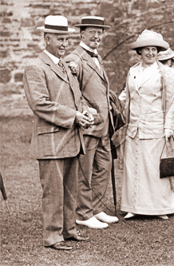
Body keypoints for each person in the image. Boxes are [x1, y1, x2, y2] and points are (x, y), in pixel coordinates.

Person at [23, 15, 91, 250]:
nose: (64, 43)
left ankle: (69, 230)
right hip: (50, 141)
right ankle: (52, 236)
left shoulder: (66, 66)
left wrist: (84, 111)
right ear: (46, 38)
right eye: (59, 39)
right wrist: (73, 116)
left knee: (70, 189)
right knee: (53, 191)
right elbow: (39, 104)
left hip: (71, 138)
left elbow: (76, 97)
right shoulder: (35, 66)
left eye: (66, 39)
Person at [118, 30, 174, 220]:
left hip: (155, 127)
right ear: (140, 51)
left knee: (155, 169)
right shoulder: (133, 71)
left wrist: (168, 128)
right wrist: (115, 103)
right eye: (146, 49)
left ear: (158, 52)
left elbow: (171, 102)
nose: (150, 53)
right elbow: (126, 94)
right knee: (134, 167)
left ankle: (161, 208)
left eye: (154, 49)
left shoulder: (165, 73)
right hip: (134, 127)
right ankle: (134, 206)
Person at [64, 16, 118, 229]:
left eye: (100, 31)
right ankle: (83, 213)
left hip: (104, 126)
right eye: (92, 31)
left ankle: (95, 208)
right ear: (81, 33)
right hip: (88, 126)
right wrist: (86, 110)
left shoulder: (96, 57)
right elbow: (73, 91)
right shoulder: (74, 59)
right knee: (85, 171)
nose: (97, 36)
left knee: (104, 167)